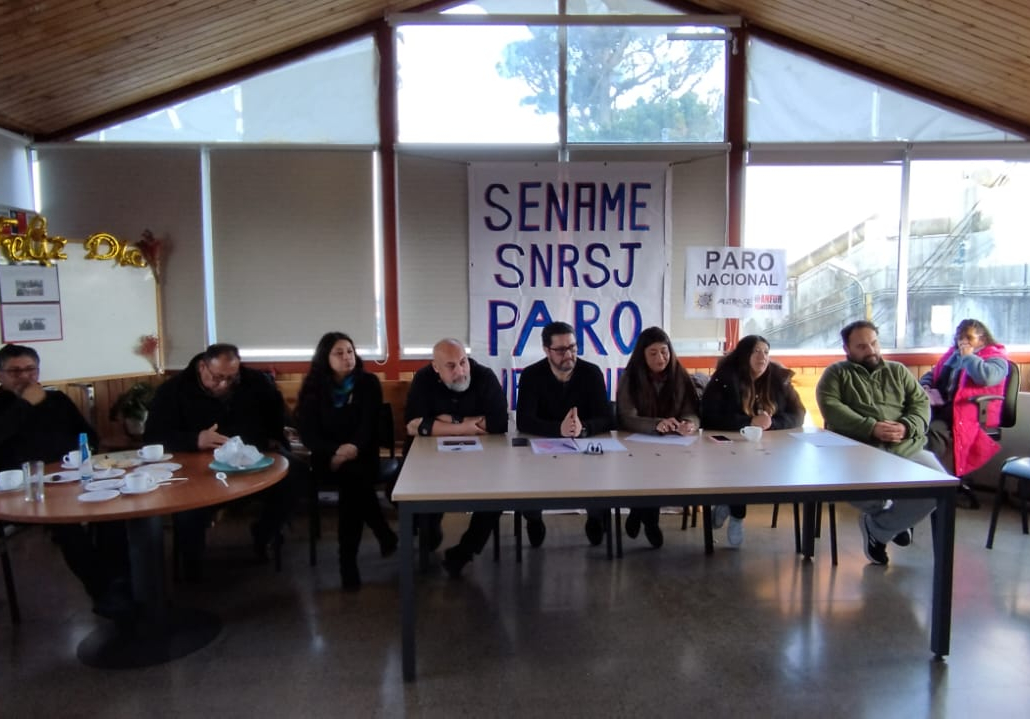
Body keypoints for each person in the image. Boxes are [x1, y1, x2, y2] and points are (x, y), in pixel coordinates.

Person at [0, 344, 132, 620]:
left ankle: (119, 583)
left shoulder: (57, 400)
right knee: (67, 526)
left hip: (69, 476)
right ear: (1, 375)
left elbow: (88, 435)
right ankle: (103, 591)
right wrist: (25, 404)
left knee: (113, 508)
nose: (24, 377)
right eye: (15, 372)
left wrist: (81, 455)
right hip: (22, 488)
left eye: (30, 370)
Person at [143, 343, 294, 578]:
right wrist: (195, 439)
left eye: (231, 378)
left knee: (294, 477)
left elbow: (277, 419)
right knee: (189, 508)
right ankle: (192, 565)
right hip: (198, 467)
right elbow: (153, 437)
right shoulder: (173, 390)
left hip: (251, 462)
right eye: (217, 378)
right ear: (202, 367)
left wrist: (275, 440)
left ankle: (263, 534)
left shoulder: (256, 382)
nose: (223, 384)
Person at [816, 320, 944, 565]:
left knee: (940, 487)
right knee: (850, 488)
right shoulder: (836, 373)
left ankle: (881, 527)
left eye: (874, 343)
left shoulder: (898, 371)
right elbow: (831, 408)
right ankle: (896, 522)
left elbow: (920, 403)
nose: (871, 350)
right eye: (862, 346)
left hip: (906, 447)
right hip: (858, 452)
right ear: (847, 349)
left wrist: (906, 426)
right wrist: (871, 427)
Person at [296, 332, 396, 591]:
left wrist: (351, 449)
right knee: (356, 484)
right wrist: (336, 451)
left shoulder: (367, 383)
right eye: (339, 353)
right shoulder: (313, 388)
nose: (346, 357)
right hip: (326, 458)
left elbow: (369, 425)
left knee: (353, 483)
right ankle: (382, 532)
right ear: (325, 358)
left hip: (362, 454)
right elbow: (308, 434)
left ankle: (347, 562)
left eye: (350, 351)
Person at [404, 338, 508, 578]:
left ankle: (464, 552)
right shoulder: (423, 379)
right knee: (410, 492)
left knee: (497, 496)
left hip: (481, 460)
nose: (460, 371)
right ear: (436, 367)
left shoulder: (484, 377)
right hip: (430, 459)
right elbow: (413, 425)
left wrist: (442, 422)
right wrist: (466, 426)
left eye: (463, 362)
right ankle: (429, 530)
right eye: (451, 366)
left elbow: (499, 423)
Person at [700, 335, 805, 548]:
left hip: (770, 447)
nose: (762, 357)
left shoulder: (778, 378)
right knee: (739, 470)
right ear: (744, 355)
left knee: (756, 470)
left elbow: (798, 414)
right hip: (729, 446)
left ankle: (727, 505)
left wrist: (771, 423)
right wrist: (749, 422)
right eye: (756, 351)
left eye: (766, 352)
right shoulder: (725, 378)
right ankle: (737, 516)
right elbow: (709, 416)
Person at [516, 321, 614, 547]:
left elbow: (607, 418)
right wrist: (557, 430)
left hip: (583, 446)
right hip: (543, 448)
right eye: (561, 350)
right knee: (526, 478)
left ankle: (595, 518)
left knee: (599, 475)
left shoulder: (591, 373)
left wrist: (584, 428)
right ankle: (534, 519)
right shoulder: (531, 375)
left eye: (572, 347)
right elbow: (524, 420)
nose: (568, 355)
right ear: (546, 350)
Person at [616, 326, 701, 549]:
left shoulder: (679, 375)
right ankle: (650, 522)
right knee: (646, 477)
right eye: (653, 353)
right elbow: (626, 418)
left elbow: (692, 411)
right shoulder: (631, 378)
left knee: (662, 479)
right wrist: (656, 424)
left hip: (673, 446)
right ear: (642, 355)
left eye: (664, 352)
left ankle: (639, 514)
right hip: (636, 445)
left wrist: (690, 423)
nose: (660, 358)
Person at [921, 319, 1009, 477]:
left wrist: (968, 357)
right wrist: (926, 386)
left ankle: (934, 479)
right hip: (941, 406)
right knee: (913, 424)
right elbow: (932, 374)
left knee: (933, 431)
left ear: (982, 339)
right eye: (960, 337)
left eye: (969, 337)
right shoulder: (952, 356)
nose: (963, 341)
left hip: (968, 412)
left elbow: (986, 377)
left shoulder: (996, 359)